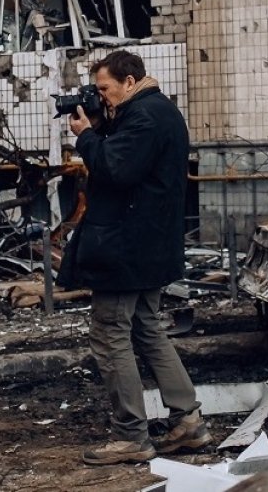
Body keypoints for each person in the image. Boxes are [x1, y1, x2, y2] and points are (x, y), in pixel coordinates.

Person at [57, 50, 212, 466]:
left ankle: (130, 436)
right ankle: (188, 422)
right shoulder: (155, 112)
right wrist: (102, 125)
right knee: (147, 328)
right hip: (147, 244)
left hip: (128, 248)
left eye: (105, 89)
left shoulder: (145, 117)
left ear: (129, 81)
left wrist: (87, 136)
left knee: (110, 334)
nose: (101, 97)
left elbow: (117, 169)